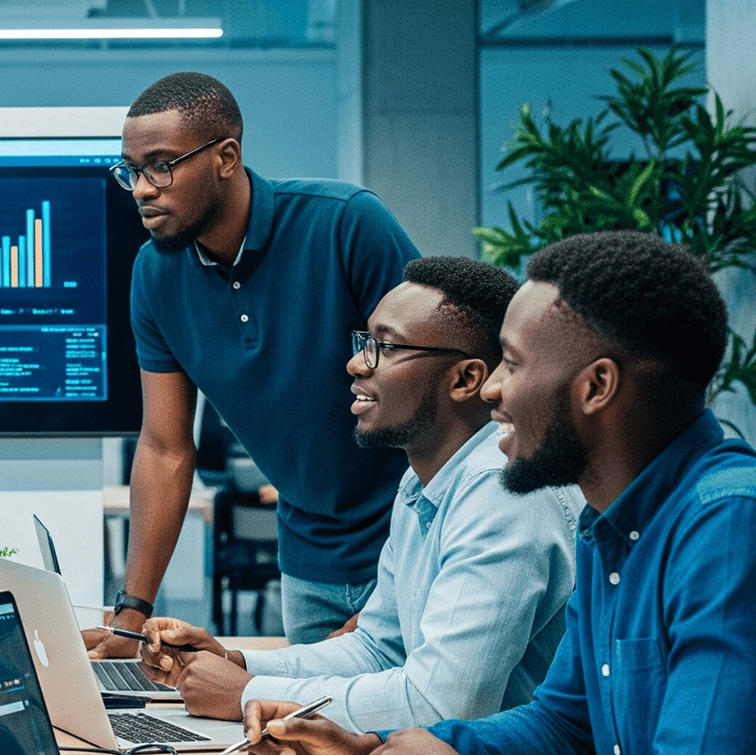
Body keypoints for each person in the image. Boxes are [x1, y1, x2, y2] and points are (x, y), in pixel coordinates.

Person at [240, 231, 756, 755]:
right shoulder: (609, 527)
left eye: (514, 364)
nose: (492, 390)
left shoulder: (736, 530)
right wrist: (414, 747)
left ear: (596, 386)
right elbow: (566, 723)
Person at [136, 257, 583, 733]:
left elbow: (441, 702)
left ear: (465, 379)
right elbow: (378, 647)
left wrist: (246, 694)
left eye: (385, 347)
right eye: (364, 343)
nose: (355, 362)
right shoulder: (423, 482)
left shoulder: (501, 490)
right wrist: (238, 662)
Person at [86, 71, 419, 655]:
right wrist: (131, 616)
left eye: (160, 165)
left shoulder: (345, 224)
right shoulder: (155, 275)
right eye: (131, 170)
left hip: (412, 544)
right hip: (310, 560)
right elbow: (165, 447)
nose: (141, 188)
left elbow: (443, 395)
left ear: (226, 157)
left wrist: (392, 593)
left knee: (418, 735)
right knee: (313, 740)